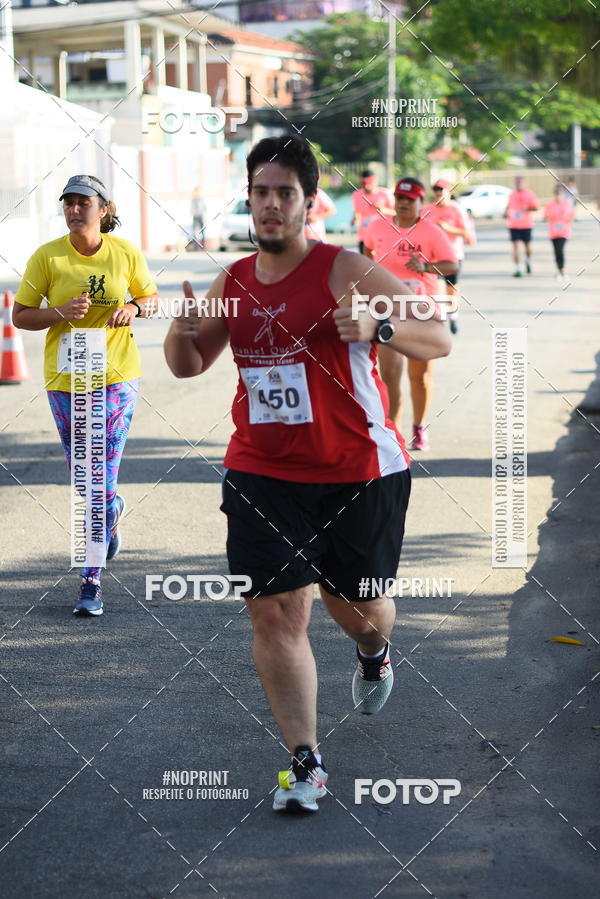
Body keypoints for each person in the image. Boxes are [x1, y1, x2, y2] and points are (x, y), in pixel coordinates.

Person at [164, 137, 451, 813]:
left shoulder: (344, 267)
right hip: (262, 470)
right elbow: (188, 363)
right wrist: (181, 330)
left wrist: (378, 329)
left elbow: (437, 334)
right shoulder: (231, 279)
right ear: (249, 197)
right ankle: (304, 760)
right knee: (276, 610)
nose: (270, 204)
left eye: (284, 193)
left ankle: (375, 653)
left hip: (359, 470)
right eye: (260, 191)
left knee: (355, 608)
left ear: (307, 202)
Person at [13, 175, 158, 616]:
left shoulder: (125, 253)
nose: (75, 210)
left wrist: (132, 307)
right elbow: (20, 316)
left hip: (116, 378)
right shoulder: (48, 256)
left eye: (83, 202)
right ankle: (111, 510)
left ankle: (91, 580)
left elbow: (149, 299)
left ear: (103, 208)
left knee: (100, 476)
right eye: (68, 203)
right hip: (67, 379)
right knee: (86, 477)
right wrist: (58, 312)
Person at [363, 177, 457, 451]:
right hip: (388, 310)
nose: (403, 204)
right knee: (389, 374)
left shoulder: (431, 232)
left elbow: (451, 265)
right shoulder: (378, 226)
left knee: (420, 375)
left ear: (420, 203)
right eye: (399, 199)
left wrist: (427, 267)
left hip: (422, 310)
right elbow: (367, 250)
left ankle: (419, 427)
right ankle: (392, 434)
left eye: (410, 200)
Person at [422, 179, 472, 335]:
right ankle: (439, 318)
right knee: (436, 287)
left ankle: (453, 315)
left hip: (453, 255)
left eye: (441, 193)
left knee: (452, 288)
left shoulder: (457, 210)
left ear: (448, 193)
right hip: (433, 257)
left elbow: (466, 233)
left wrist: (447, 228)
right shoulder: (426, 210)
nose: (438, 196)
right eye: (436, 194)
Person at [351, 169, 395, 254]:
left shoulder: (385, 194)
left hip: (382, 236)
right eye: (363, 185)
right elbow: (357, 212)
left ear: (375, 181)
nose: (366, 187)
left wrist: (383, 210)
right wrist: (354, 219)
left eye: (369, 184)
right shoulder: (356, 195)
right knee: (365, 264)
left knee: (381, 264)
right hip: (364, 236)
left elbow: (396, 213)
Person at [504, 175, 539, 277]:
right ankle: (518, 269)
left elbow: (536, 207)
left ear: (524, 183)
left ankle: (528, 261)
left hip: (526, 224)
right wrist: (505, 212)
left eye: (520, 182)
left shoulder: (530, 194)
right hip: (513, 224)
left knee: (528, 247)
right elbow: (508, 206)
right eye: (516, 182)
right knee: (515, 246)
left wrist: (527, 208)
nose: (518, 184)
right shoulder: (512, 194)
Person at [543, 185, 576, 281]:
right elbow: (545, 217)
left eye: (559, 194)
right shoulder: (550, 205)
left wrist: (568, 221)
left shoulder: (567, 204)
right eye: (556, 194)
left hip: (564, 232)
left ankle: (562, 270)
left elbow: (572, 216)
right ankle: (558, 270)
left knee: (560, 250)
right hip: (553, 232)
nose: (558, 196)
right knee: (556, 251)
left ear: (563, 194)